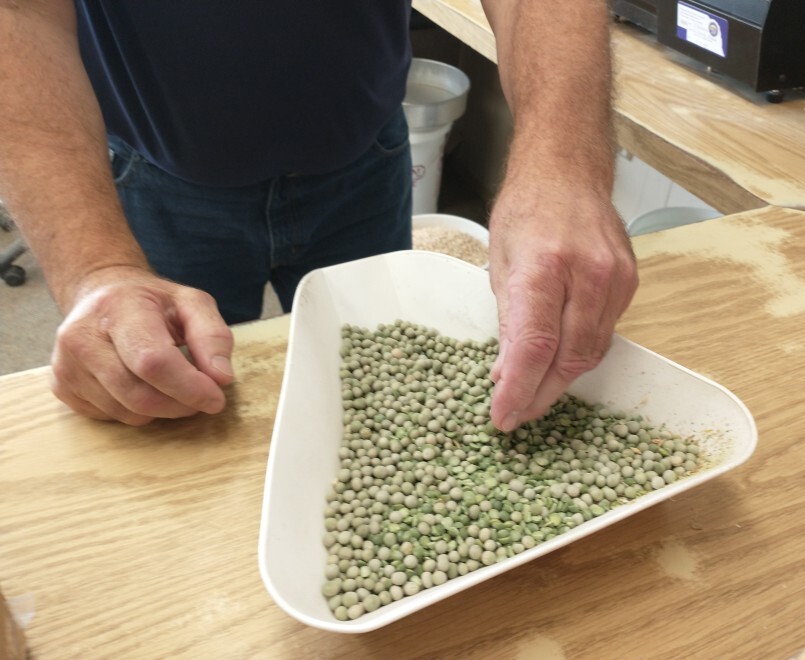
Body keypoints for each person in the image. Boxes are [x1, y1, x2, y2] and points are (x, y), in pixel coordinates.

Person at [0, 1, 638, 430]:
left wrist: (564, 167)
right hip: (158, 172)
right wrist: (97, 269)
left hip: (365, 151)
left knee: (381, 391)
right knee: (178, 404)